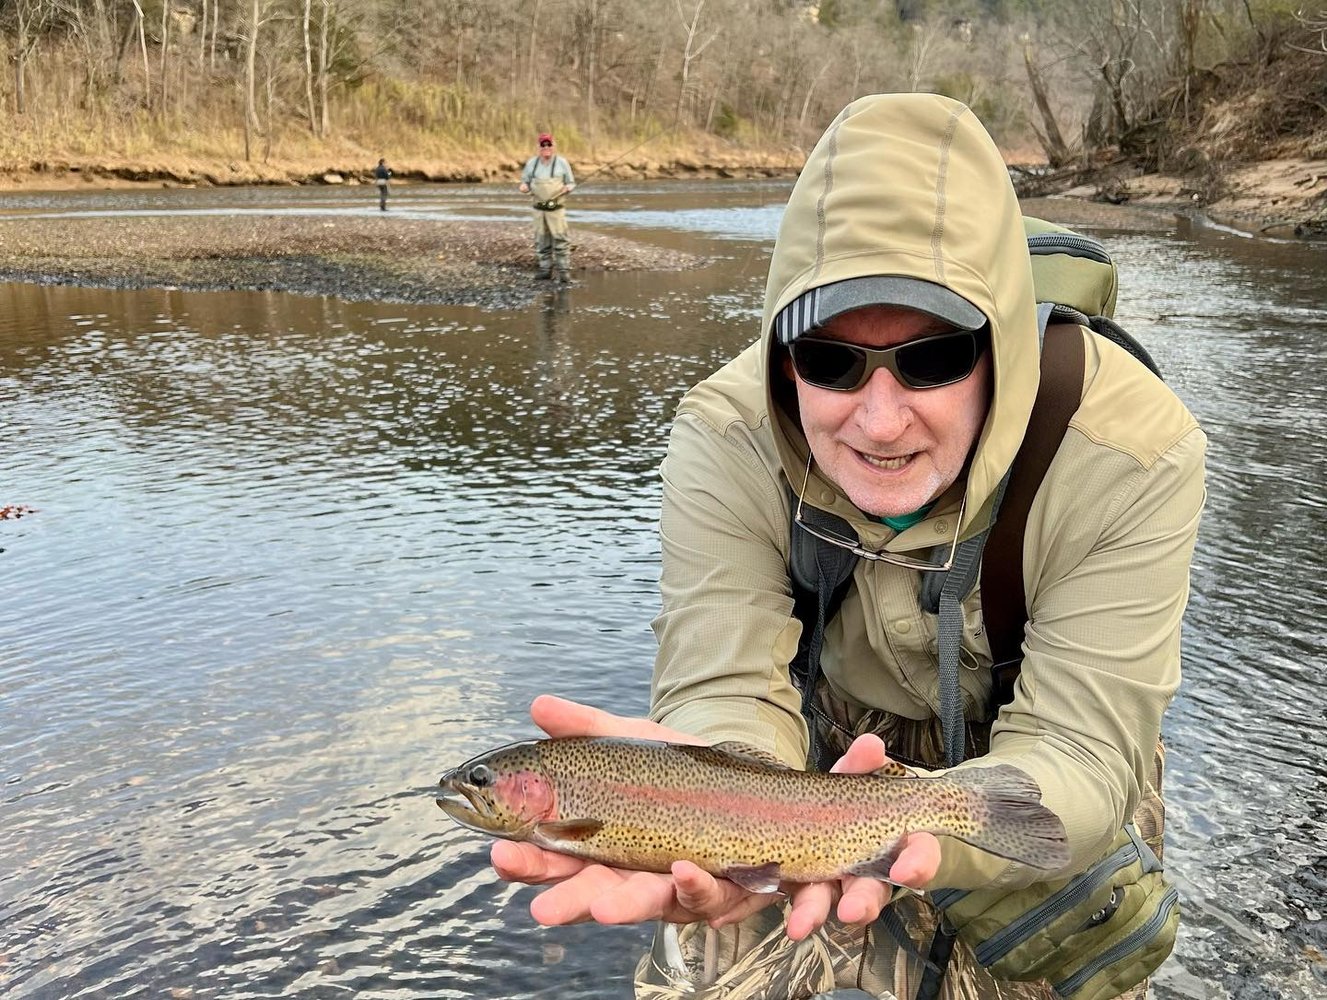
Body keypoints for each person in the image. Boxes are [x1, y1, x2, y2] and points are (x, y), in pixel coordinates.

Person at [490, 93, 1206, 999]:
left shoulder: (1131, 449)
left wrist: (930, 830)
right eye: (829, 361)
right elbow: (724, 683)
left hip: (1040, 739)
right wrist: (709, 813)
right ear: (782, 352)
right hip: (809, 752)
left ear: (1000, 345)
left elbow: (1081, 745)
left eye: (933, 358)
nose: (879, 421)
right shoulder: (726, 431)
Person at [518, 132, 575, 282]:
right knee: (541, 240)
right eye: (543, 145)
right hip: (538, 209)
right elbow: (524, 182)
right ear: (538, 147)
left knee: (561, 239)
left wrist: (567, 188)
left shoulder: (562, 162)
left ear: (553, 146)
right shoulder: (531, 163)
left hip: (557, 209)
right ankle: (545, 270)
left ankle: (564, 271)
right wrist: (523, 187)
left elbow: (571, 183)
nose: (546, 147)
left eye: (549, 144)